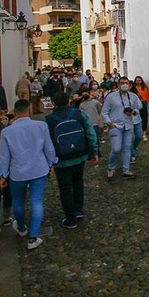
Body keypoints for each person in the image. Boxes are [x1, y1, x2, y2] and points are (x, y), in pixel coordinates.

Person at [0, 99, 57, 250]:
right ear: (29, 110)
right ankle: (33, 237)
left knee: (18, 201)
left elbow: (4, 156)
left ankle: (22, 228)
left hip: (18, 172)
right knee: (36, 201)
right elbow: (48, 148)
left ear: (15, 112)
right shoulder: (41, 126)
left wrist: (3, 175)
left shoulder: (7, 132)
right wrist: (51, 164)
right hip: (38, 169)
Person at [45, 92, 100, 229]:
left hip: (61, 159)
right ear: (69, 102)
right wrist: (94, 151)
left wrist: (49, 162)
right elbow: (90, 133)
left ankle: (70, 219)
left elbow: (47, 143)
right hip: (79, 154)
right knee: (78, 182)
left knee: (65, 188)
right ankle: (78, 210)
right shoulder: (79, 114)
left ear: (54, 103)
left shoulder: (49, 119)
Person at [101, 76, 142, 181]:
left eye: (126, 83)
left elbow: (139, 107)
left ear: (129, 85)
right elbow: (104, 111)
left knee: (127, 148)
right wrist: (109, 123)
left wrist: (134, 111)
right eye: (122, 83)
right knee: (116, 148)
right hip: (115, 126)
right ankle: (111, 168)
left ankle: (126, 170)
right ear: (118, 85)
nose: (124, 85)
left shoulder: (133, 96)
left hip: (128, 125)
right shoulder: (111, 97)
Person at [132, 76, 149, 147]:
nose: (138, 81)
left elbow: (148, 97)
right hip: (136, 105)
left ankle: (144, 134)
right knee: (136, 118)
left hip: (144, 103)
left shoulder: (145, 87)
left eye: (139, 80)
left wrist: (147, 103)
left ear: (141, 81)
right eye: (137, 80)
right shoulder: (133, 89)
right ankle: (136, 133)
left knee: (144, 118)